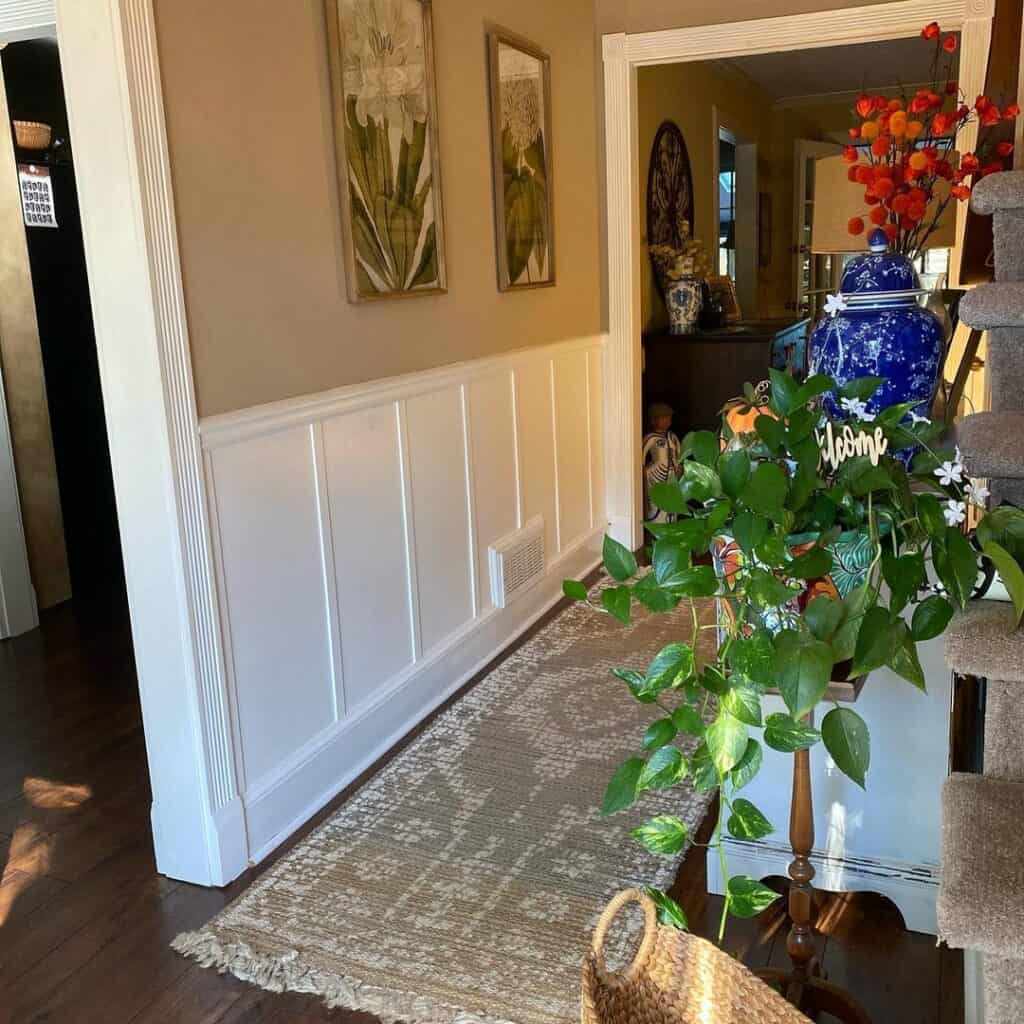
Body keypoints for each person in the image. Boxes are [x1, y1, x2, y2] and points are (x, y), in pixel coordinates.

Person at [642, 402, 681, 524]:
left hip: (672, 475)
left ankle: (671, 525)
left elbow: (680, 455)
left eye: (668, 417)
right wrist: (644, 471)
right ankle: (657, 528)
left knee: (672, 501)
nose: (667, 421)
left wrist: (679, 468)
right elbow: (641, 456)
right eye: (663, 418)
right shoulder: (650, 438)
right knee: (655, 503)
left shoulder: (672, 437)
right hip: (655, 476)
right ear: (654, 420)